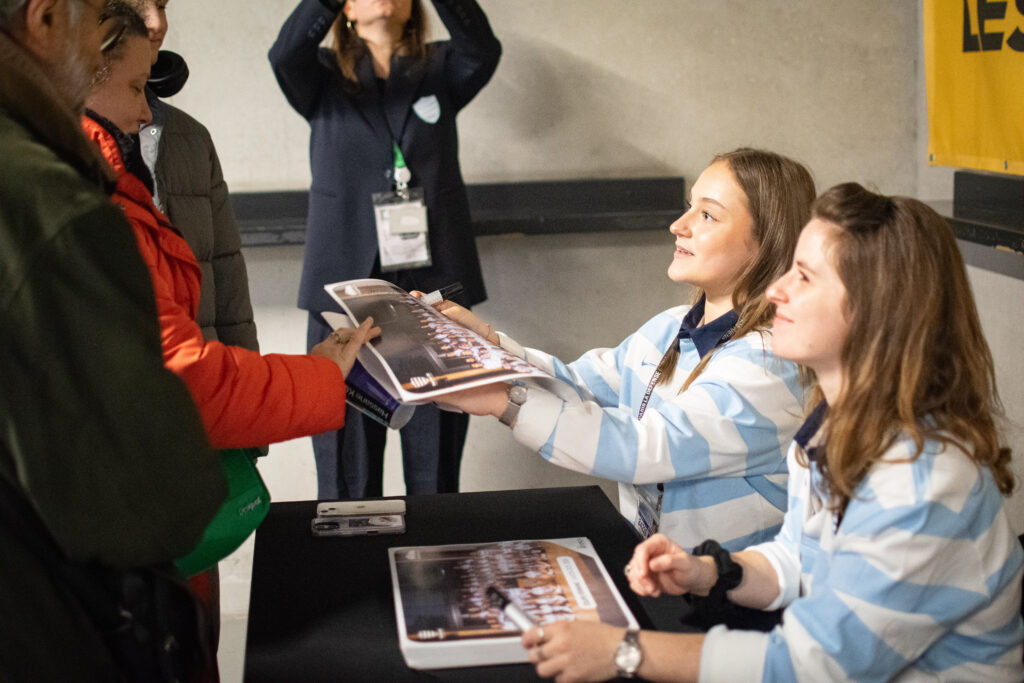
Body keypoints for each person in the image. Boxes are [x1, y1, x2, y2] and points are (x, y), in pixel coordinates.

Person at [520, 184, 1024, 682]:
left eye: (803, 277)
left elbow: (810, 666)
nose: (776, 290)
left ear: (877, 310)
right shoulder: (836, 426)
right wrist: (712, 571)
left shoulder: (925, 482)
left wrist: (626, 652)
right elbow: (797, 561)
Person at [0, 0, 225, 680]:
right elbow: (150, 497)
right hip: (57, 622)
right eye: (96, 13)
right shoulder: (49, 200)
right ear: (43, 19)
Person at [435, 149, 815, 551]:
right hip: (658, 571)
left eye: (707, 215)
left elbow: (641, 447)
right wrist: (487, 345)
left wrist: (503, 402)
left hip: (725, 597)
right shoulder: (671, 325)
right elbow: (575, 384)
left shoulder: (772, 363)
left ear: (767, 243)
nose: (678, 226)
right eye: (689, 207)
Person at [82, 10, 379, 454]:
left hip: (197, 438)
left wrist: (250, 442)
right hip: (131, 453)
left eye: (164, 4)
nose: (157, 21)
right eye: (134, 87)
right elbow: (181, 379)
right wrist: (319, 374)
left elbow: (228, 301)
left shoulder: (183, 144)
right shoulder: (73, 195)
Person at [269, 0, 501, 498]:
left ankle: (433, 564)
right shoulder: (321, 75)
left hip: (432, 286)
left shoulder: (440, 67)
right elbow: (284, 53)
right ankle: (354, 571)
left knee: (434, 462)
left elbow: (482, 49)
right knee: (347, 465)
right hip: (342, 291)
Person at [130, 0, 261, 352]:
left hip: (203, 391)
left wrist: (246, 399)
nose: (157, 23)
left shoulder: (192, 137)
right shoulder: (49, 139)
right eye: (137, 5)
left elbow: (228, 284)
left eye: (162, 5)